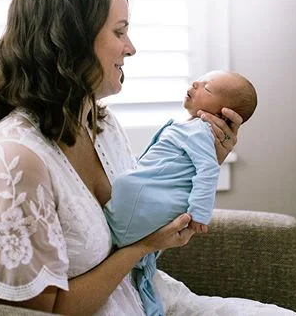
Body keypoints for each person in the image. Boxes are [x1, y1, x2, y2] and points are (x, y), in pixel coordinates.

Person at [0, 0, 296, 315]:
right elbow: (39, 313)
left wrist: (199, 165)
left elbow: (140, 220)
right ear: (71, 41)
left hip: (150, 300)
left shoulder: (100, 126)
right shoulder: (11, 164)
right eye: (119, 32)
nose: (130, 48)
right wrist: (141, 248)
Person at [104, 70, 257, 315]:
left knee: (124, 184)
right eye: (200, 80)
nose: (196, 83)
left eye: (207, 88)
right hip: (141, 212)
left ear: (223, 112)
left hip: (146, 209)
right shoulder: (192, 129)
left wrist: (199, 213)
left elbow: (207, 169)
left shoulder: (199, 131)